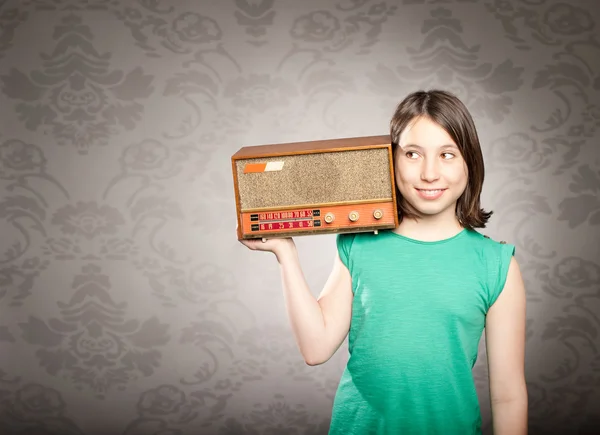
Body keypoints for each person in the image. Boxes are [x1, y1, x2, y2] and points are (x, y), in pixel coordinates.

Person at [239, 90, 527, 434]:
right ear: (389, 160)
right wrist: (286, 254)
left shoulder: (496, 264)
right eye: (412, 154)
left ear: (469, 163)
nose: (429, 173)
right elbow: (315, 348)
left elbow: (508, 396)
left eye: (447, 154)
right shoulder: (358, 243)